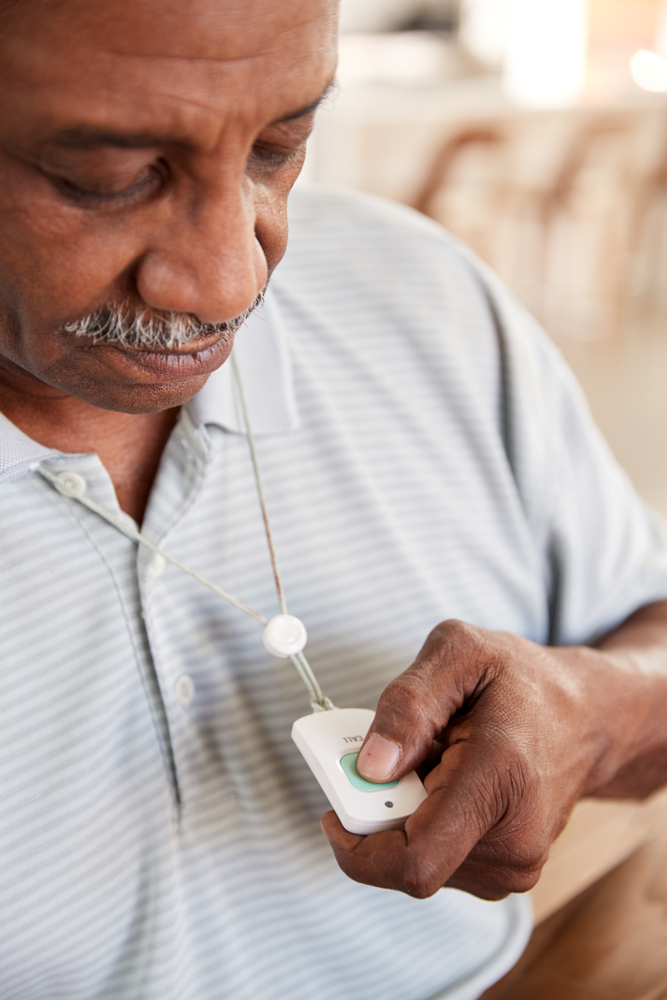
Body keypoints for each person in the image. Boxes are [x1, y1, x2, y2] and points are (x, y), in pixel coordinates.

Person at [1, 0, 667, 997]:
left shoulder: (423, 298)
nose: (230, 279)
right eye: (110, 179)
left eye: (280, 147)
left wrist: (598, 709)